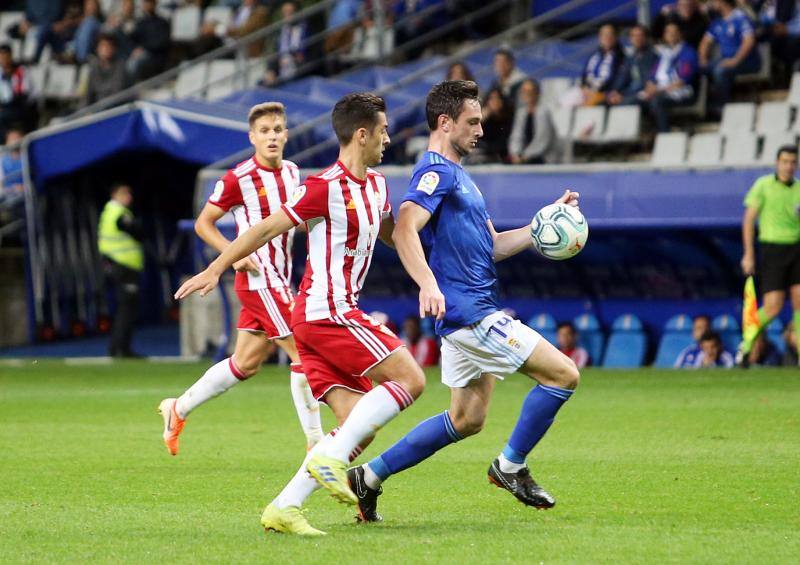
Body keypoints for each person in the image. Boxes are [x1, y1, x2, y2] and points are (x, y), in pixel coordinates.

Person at [174, 93, 426, 536]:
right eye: (383, 131)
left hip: (316, 319)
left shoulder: (379, 185)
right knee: (412, 378)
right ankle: (328, 459)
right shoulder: (324, 186)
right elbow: (265, 228)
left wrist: (432, 253)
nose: (389, 138)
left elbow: (390, 233)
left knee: (356, 428)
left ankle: (284, 507)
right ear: (361, 134)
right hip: (328, 312)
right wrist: (215, 267)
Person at [347, 80, 580, 522]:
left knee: (466, 418)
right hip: (471, 313)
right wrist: (428, 284)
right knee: (562, 375)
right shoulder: (435, 172)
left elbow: (493, 246)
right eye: (472, 122)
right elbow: (404, 228)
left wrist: (543, 225)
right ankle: (510, 466)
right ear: (444, 122)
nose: (480, 130)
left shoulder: (461, 178)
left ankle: (369, 477)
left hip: (469, 311)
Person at [158, 102, 323, 457]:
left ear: (286, 134)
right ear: (252, 137)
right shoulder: (239, 178)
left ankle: (178, 407)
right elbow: (204, 223)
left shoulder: (294, 172)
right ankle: (316, 443)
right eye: (264, 131)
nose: (272, 136)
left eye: (278, 129)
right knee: (304, 351)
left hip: (280, 276)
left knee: (246, 362)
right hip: (259, 278)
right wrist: (235, 253)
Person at [739, 145, 800, 363]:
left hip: (796, 248)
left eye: (793, 162)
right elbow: (748, 220)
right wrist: (748, 254)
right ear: (777, 163)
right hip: (772, 248)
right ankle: (746, 342)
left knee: (799, 302)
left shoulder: (799, 189)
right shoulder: (763, 185)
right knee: (773, 306)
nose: (789, 166)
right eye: (785, 161)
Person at [98, 183, 144, 358]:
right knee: (126, 308)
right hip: (123, 266)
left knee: (126, 308)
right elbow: (136, 231)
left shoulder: (110, 211)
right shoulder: (117, 213)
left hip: (121, 265)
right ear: (115, 195)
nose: (129, 197)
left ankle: (121, 347)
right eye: (125, 194)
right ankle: (120, 348)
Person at [699, 0, 760, 110]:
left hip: (747, 61)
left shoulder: (741, 18)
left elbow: (749, 41)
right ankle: (704, 108)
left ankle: (722, 108)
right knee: (700, 69)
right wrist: (703, 59)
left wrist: (736, 60)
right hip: (725, 60)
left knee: (720, 71)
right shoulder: (717, 22)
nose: (712, 4)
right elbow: (705, 42)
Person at [640, 23, 699, 132]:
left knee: (657, 101)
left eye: (674, 32)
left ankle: (664, 134)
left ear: (680, 34)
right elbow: (652, 76)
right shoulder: (663, 54)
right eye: (668, 32)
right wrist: (650, 87)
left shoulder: (688, 52)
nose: (671, 35)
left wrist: (657, 90)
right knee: (634, 100)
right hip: (660, 90)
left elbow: (682, 81)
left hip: (681, 92)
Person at [607, 24, 658, 106]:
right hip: (628, 92)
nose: (637, 38)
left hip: (642, 93)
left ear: (646, 38)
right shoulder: (630, 57)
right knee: (605, 102)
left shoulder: (652, 56)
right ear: (630, 39)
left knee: (624, 103)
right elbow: (622, 77)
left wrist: (623, 96)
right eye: (634, 36)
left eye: (640, 35)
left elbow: (646, 82)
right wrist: (615, 91)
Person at [508, 78, 556, 165]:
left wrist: (525, 156)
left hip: (542, 158)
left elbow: (542, 140)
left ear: (537, 93)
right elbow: (516, 136)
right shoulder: (521, 113)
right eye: (524, 91)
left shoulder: (543, 112)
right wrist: (515, 153)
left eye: (530, 91)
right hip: (523, 157)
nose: (527, 94)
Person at [580, 24, 625, 106]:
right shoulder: (594, 56)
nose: (607, 37)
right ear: (599, 37)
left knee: (589, 104)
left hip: (604, 93)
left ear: (616, 37)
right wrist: (585, 88)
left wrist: (599, 91)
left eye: (610, 34)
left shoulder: (620, 57)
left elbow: (618, 79)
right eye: (604, 34)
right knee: (563, 102)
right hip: (587, 91)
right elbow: (584, 75)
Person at [128, 0, 171, 82]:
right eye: (145, 2)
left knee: (133, 63)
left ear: (155, 4)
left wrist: (143, 48)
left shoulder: (162, 22)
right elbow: (133, 40)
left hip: (155, 56)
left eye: (149, 2)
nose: (147, 5)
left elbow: (162, 42)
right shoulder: (140, 22)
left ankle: (130, 89)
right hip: (140, 53)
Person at [84, 34, 128, 105]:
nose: (105, 49)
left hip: (115, 108)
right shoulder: (94, 67)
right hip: (96, 108)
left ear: (114, 49)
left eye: (109, 46)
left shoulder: (121, 66)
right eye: (102, 46)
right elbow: (88, 95)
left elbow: (117, 93)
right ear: (97, 49)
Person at [473, 87, 513, 164]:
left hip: (502, 158)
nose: (495, 102)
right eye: (492, 99)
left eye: (498, 98)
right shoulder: (485, 118)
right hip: (482, 155)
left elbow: (504, 144)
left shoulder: (509, 118)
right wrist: (480, 120)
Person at [0, 45, 31, 138]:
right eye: (1, 57)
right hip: (5, 106)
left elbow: (22, 95)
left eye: (5, 56)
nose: (3, 60)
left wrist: (3, 107)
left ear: (10, 56)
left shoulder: (20, 71)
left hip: (20, 106)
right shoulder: (1, 73)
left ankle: (7, 141)